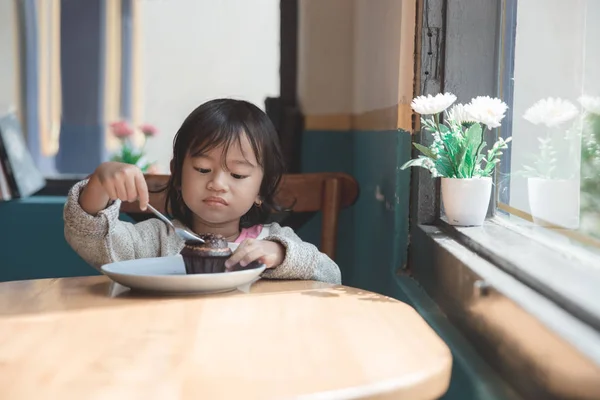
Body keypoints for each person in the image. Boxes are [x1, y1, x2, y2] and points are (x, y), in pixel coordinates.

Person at [63, 98, 341, 284]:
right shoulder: (156, 240)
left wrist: (281, 255)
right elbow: (93, 242)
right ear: (179, 175)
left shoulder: (273, 240)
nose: (217, 183)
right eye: (203, 169)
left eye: (238, 174)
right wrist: (99, 184)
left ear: (261, 188)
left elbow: (331, 275)